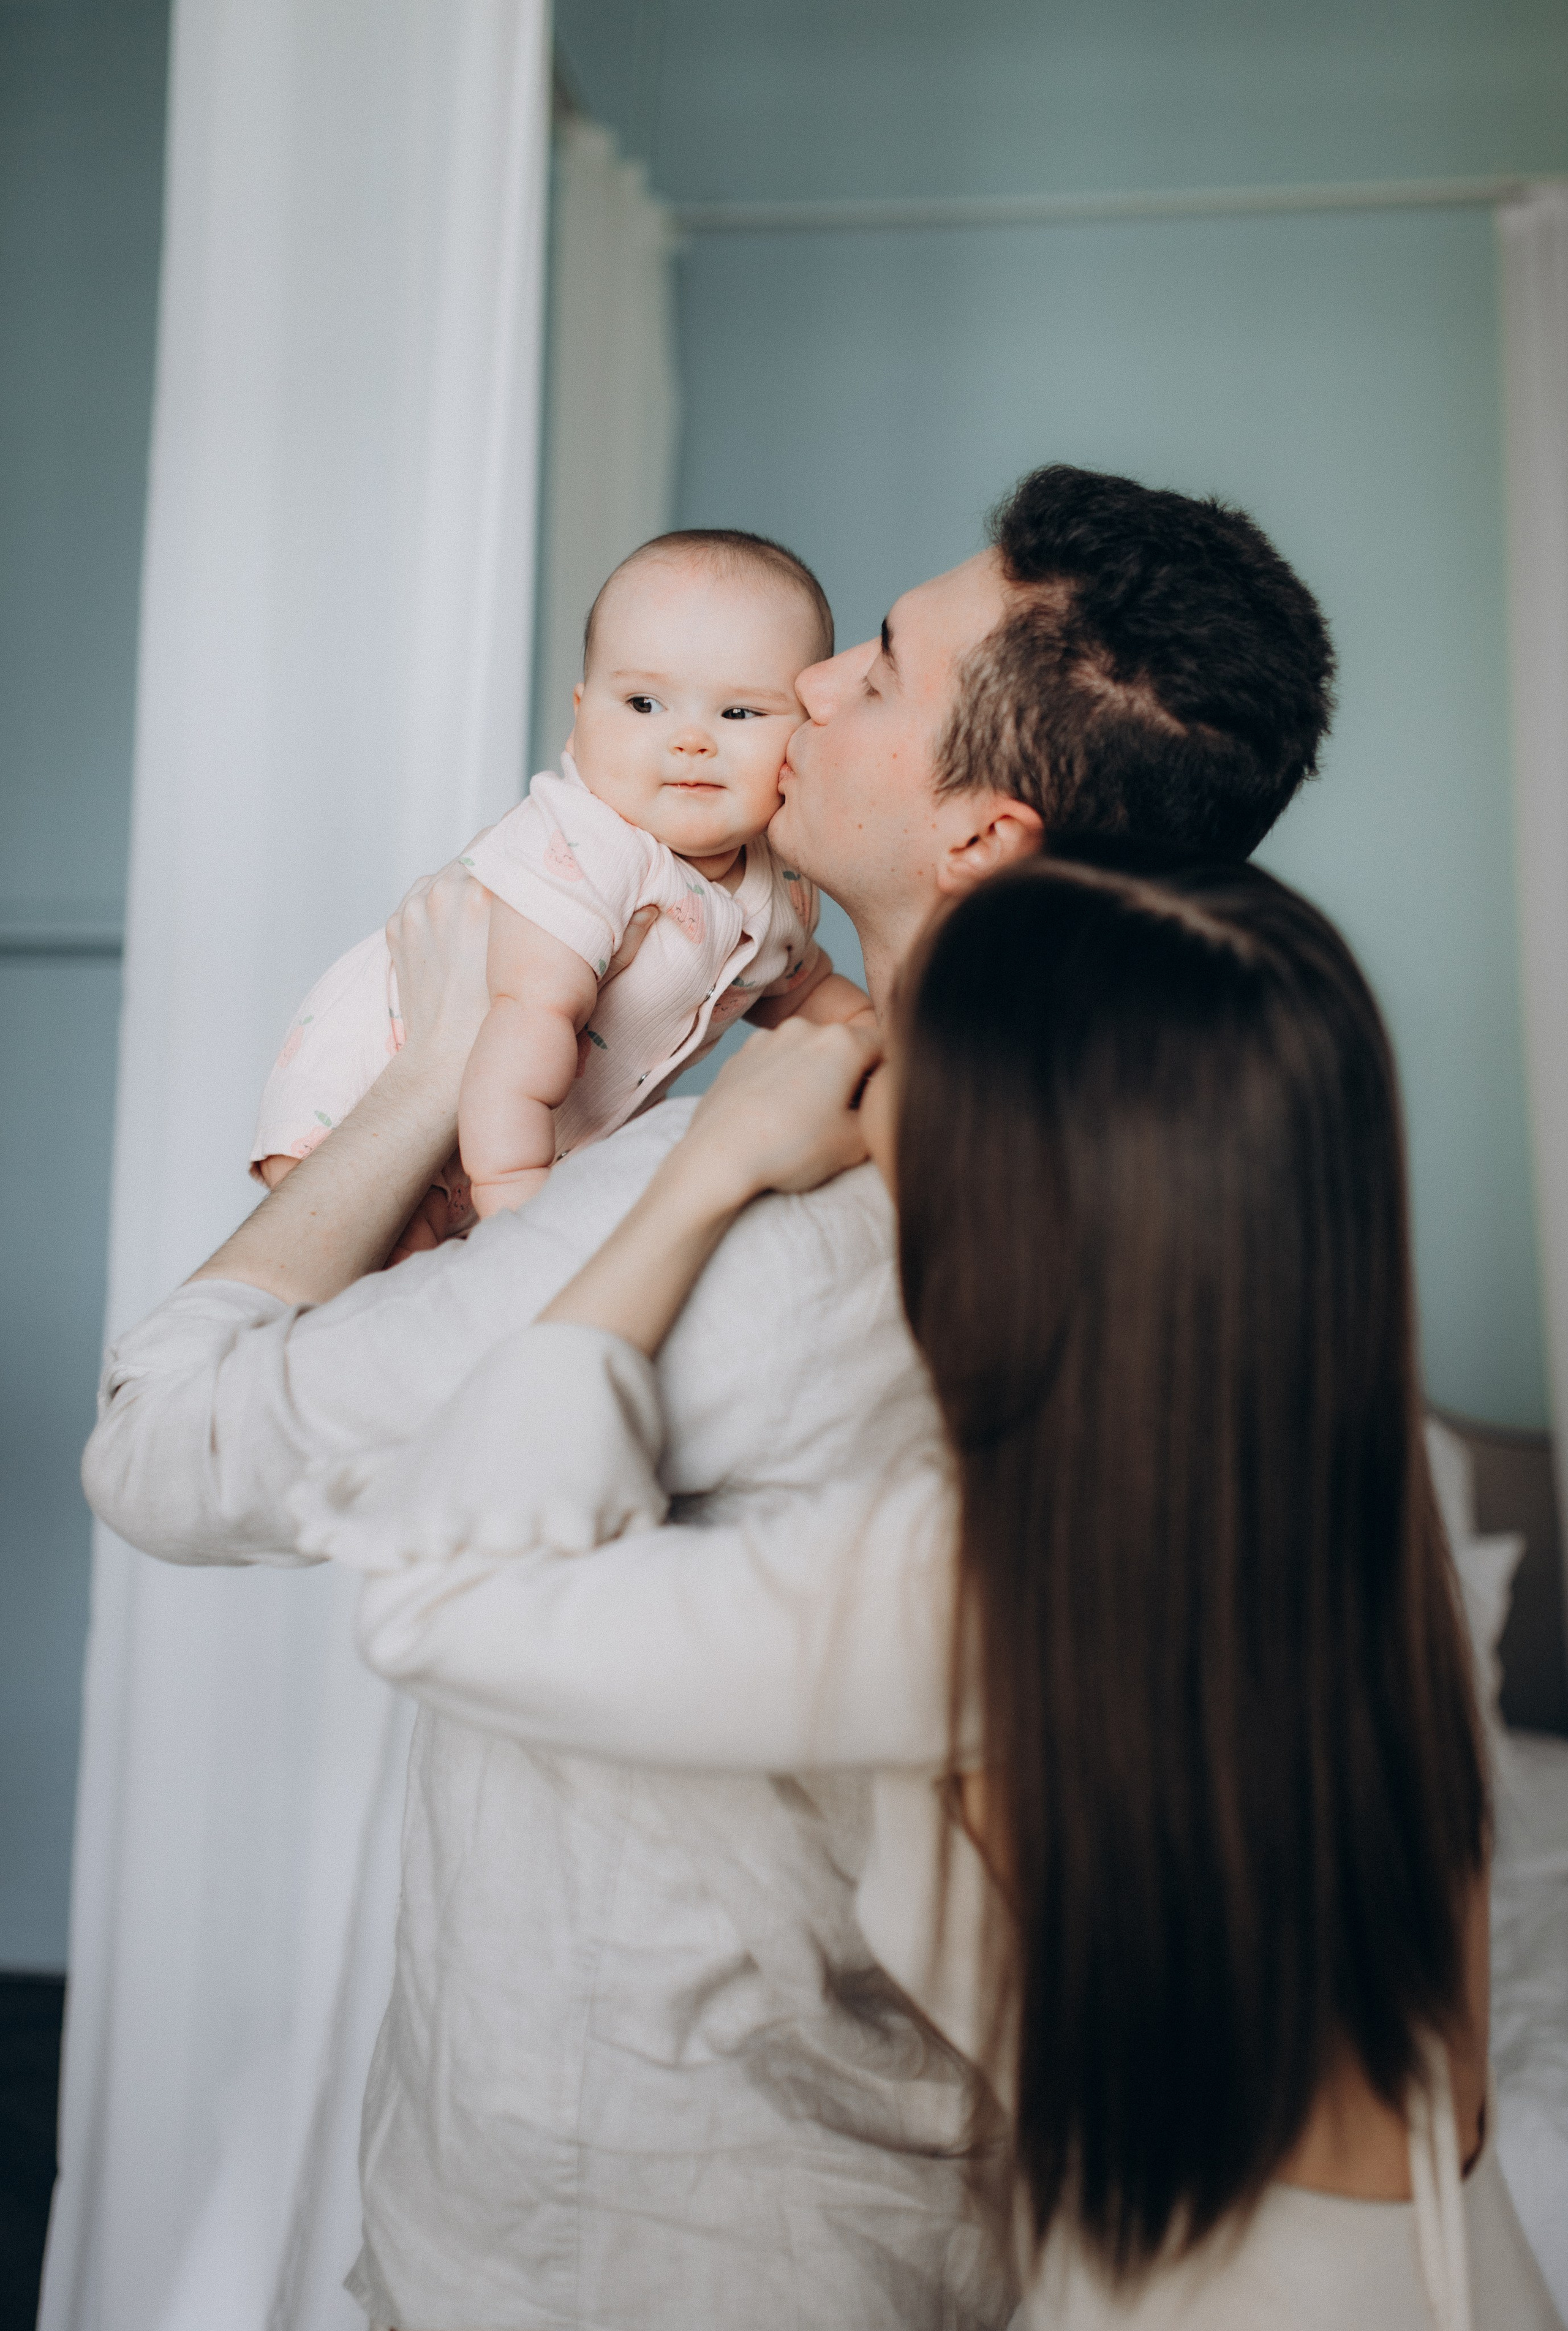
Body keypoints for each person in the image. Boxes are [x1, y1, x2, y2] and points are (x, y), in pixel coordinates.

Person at [83, 465, 1337, 2329]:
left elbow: (167, 1448)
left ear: (982, 831)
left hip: (596, 2229)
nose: (812, 682)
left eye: (881, 673)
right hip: (914, 2199)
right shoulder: (1137, 1231)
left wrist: (426, 1079)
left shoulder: (731, 1215)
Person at [300, 850, 1561, 2329]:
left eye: (899, 1037)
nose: (852, 1051)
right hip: (1461, 2267)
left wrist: (699, 1179)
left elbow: (432, 1598)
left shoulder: (980, 1582)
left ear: (996, 1154)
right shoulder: (1365, 1489)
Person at [252, 529, 866, 1246]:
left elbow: (800, 987)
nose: (690, 739)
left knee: (427, 1325)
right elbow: (529, 1015)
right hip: (373, 1102)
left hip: (513, 1134)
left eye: (738, 713)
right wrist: (520, 1204)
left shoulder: (783, 881)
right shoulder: (585, 846)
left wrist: (882, 1040)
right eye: (643, 704)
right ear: (580, 713)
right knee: (361, 1280)